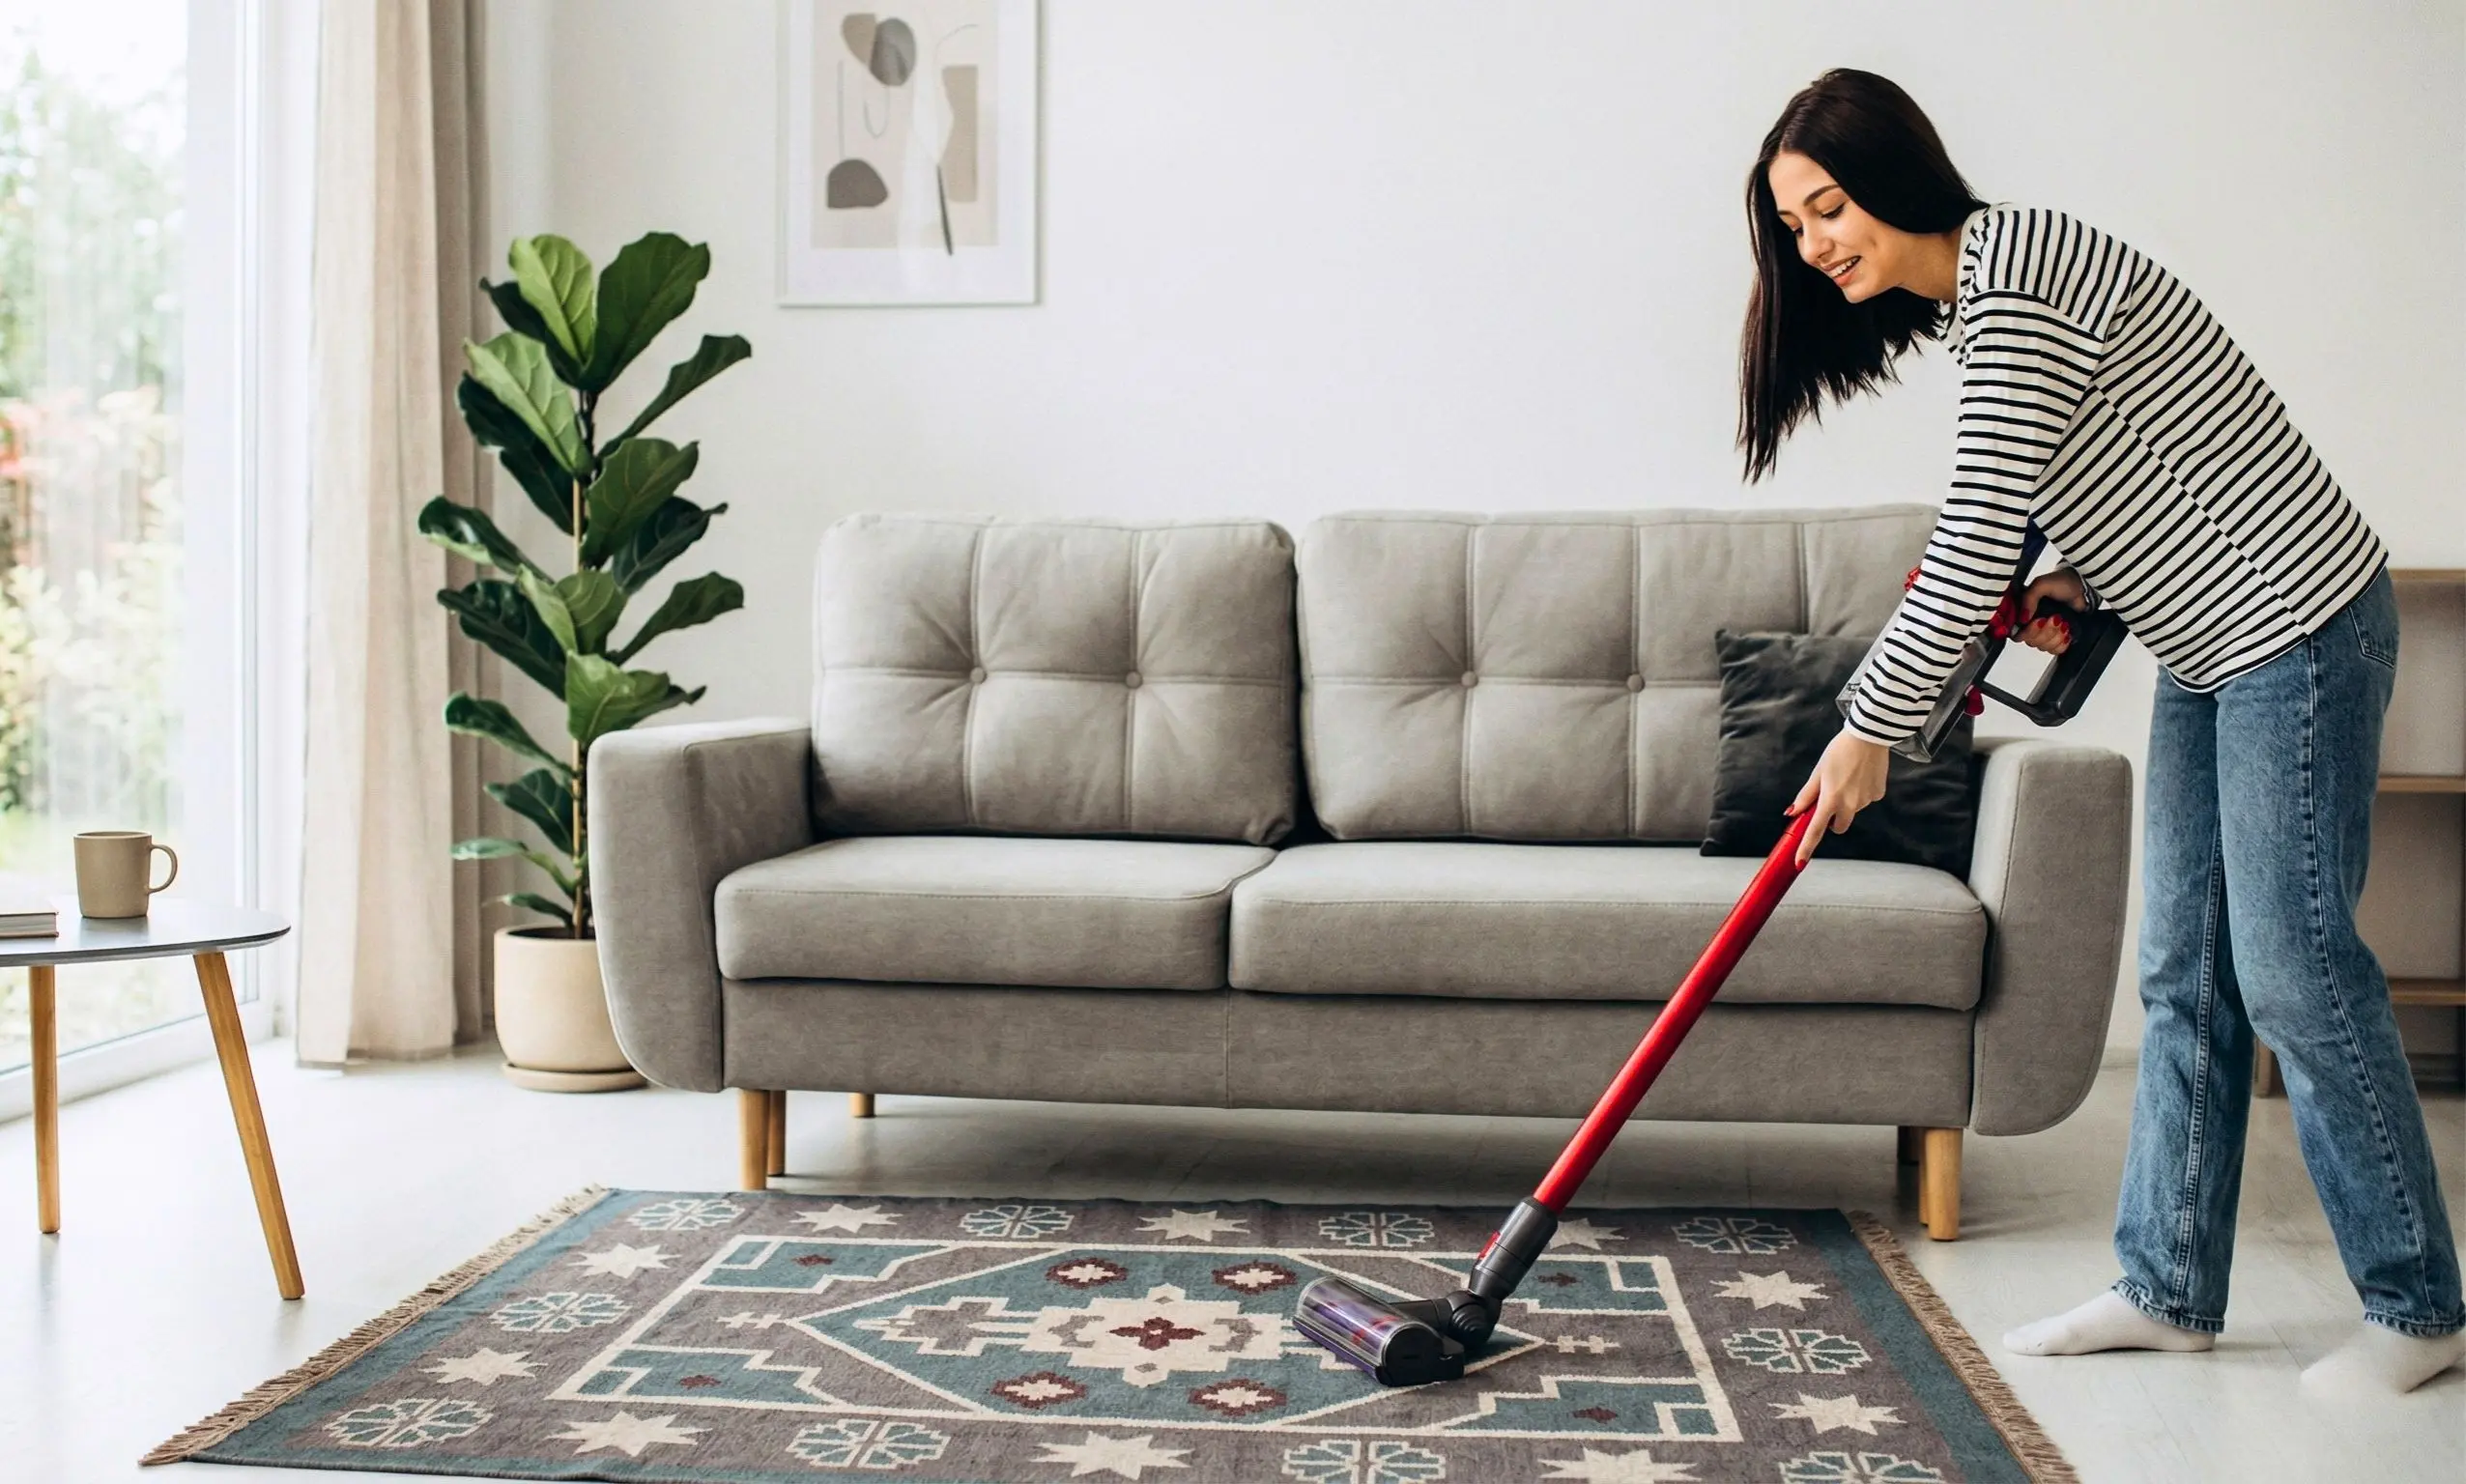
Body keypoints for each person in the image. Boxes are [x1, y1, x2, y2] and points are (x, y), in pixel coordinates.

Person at [1743, 68, 2462, 1397]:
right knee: (2184, 971)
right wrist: (2082, 570)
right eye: (1794, 227)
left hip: (2298, 626)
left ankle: (2419, 1308)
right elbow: (2138, 450)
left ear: (1893, 176)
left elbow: (1969, 539)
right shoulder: (1985, 303)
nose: (1815, 244)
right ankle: (2169, 1287)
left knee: (2297, 971)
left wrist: (1870, 730)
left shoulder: (2014, 282)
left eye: (1827, 207)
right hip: (2212, 643)